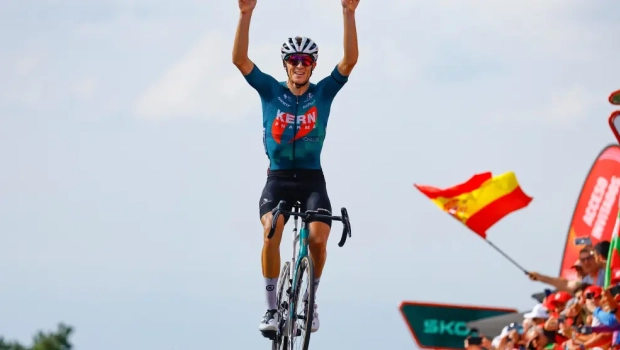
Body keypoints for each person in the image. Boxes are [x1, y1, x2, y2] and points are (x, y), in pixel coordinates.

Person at [232, 0, 360, 336]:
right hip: (277, 179)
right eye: (294, 60)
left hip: (311, 180)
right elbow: (240, 61)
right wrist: (245, 15)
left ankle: (311, 298)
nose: (299, 65)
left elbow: (349, 61)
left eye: (306, 60)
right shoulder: (271, 91)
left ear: (313, 65)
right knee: (270, 232)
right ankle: (271, 309)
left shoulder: (324, 94)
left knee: (318, 240)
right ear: (286, 64)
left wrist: (349, 13)